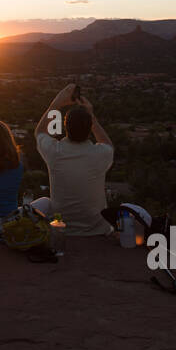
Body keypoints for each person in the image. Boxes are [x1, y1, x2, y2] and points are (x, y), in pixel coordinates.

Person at [32, 84, 114, 236]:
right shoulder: (100, 154)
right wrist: (91, 115)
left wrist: (56, 103)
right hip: (97, 230)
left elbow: (39, 132)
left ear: (65, 126)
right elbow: (107, 144)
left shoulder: (55, 152)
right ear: (90, 128)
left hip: (62, 227)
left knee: (45, 202)